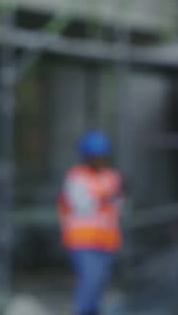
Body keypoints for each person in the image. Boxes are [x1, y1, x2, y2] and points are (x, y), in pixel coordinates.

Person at [58, 130, 124, 315]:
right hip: (83, 241)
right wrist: (106, 196)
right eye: (94, 156)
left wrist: (117, 196)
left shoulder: (112, 176)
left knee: (99, 285)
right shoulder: (76, 177)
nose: (98, 160)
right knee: (89, 281)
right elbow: (82, 205)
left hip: (107, 241)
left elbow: (118, 206)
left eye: (101, 156)